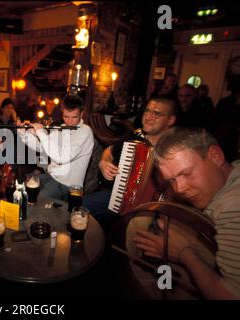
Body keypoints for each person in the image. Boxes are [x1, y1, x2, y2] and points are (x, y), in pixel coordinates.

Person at [133, 127, 240, 299]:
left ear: (216, 156)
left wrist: (184, 253)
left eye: (186, 173)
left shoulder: (233, 208)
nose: (179, 189)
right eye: (172, 180)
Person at [84, 97, 177, 220]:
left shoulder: (177, 147)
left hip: (152, 210)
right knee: (81, 206)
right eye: (147, 111)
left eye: (156, 114)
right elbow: (109, 151)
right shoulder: (136, 135)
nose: (148, 117)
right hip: (118, 195)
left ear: (170, 120)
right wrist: (103, 163)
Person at [17, 94, 94, 201]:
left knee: (38, 201)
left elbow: (62, 157)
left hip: (67, 186)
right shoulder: (61, 128)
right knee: (21, 191)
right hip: (51, 176)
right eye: (66, 117)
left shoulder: (85, 131)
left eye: (74, 117)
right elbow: (41, 148)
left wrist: (40, 132)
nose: (69, 121)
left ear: (82, 114)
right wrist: (24, 133)